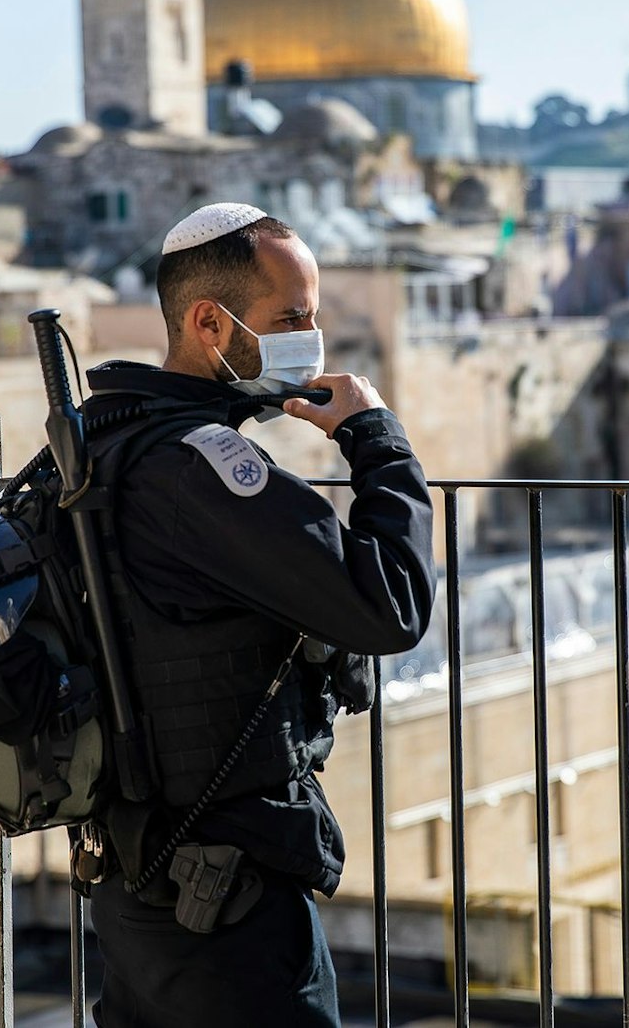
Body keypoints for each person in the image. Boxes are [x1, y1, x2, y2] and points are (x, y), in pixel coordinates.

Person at [77, 203, 436, 1027]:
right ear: (211, 322)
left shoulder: (108, 441)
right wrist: (377, 438)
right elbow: (391, 605)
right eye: (291, 317)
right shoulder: (204, 466)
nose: (310, 337)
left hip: (137, 892)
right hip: (229, 917)